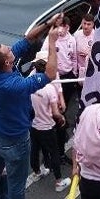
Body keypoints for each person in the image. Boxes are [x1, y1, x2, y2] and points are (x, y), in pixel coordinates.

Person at [0, 15, 61, 199]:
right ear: (8, 61)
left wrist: (48, 23)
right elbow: (50, 74)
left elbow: (26, 40)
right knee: (16, 184)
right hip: (14, 139)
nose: (11, 47)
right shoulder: (12, 85)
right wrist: (52, 41)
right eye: (8, 49)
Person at [29, 58, 71, 192]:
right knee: (54, 152)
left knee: (35, 149)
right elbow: (55, 112)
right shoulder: (50, 89)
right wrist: (62, 117)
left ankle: (36, 172)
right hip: (47, 126)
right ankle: (58, 182)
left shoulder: (30, 84)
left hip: (33, 124)